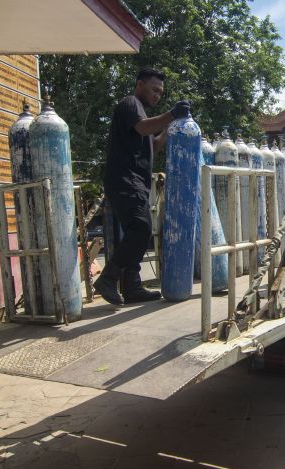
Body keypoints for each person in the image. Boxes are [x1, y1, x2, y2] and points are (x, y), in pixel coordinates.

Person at [94, 67, 190, 305]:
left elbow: (153, 145)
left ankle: (133, 287)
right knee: (140, 228)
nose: (158, 95)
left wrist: (169, 128)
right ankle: (108, 278)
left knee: (138, 231)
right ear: (140, 85)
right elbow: (144, 128)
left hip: (136, 182)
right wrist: (171, 114)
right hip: (124, 180)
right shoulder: (130, 105)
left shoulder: (144, 116)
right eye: (154, 89)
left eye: (161, 92)